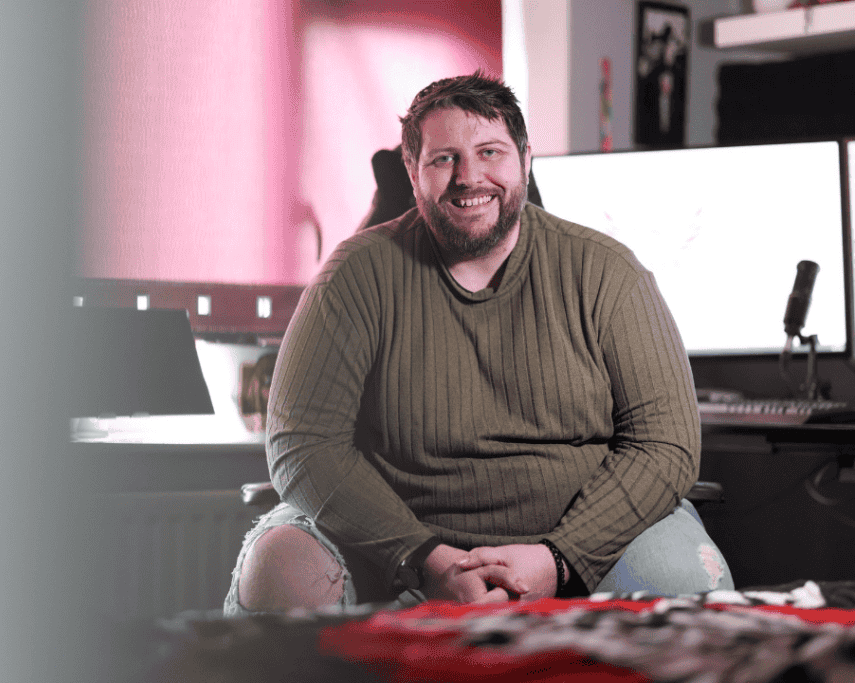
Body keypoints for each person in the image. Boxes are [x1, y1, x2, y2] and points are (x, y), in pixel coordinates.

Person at [225, 72, 732, 615]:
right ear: (413, 172)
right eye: (444, 159)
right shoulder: (355, 275)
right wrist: (422, 556)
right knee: (281, 570)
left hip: (581, 539)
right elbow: (303, 443)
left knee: (688, 586)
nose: (469, 178)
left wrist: (558, 558)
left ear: (524, 159)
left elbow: (666, 444)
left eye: (490, 152)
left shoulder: (607, 273)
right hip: (393, 543)